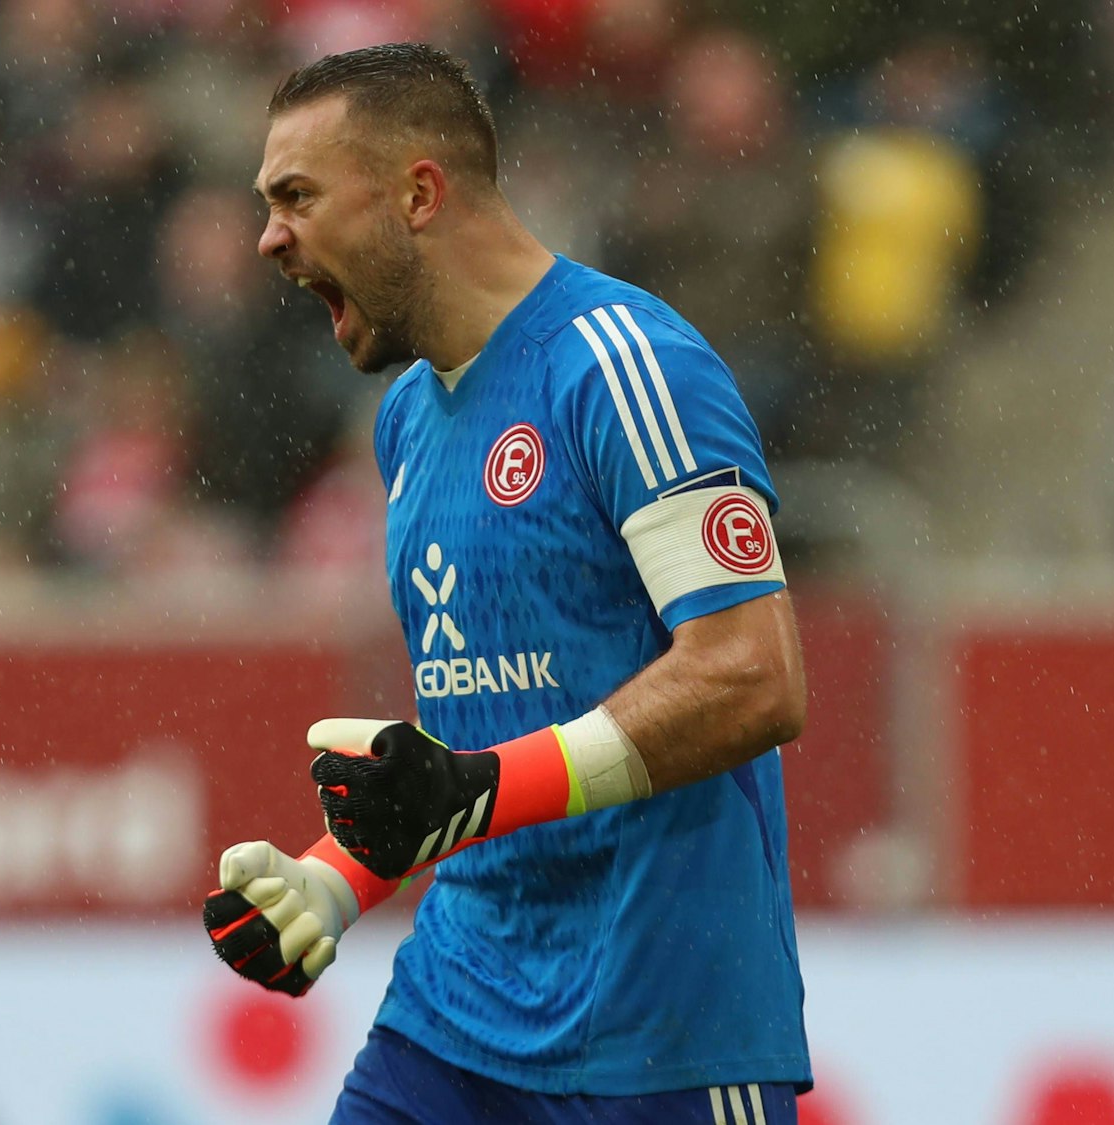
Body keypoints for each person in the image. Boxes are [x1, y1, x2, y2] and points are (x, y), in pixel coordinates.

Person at [201, 43, 811, 1124]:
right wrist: (337, 881)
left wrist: (479, 786)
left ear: (417, 193)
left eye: (295, 196)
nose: (268, 238)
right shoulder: (405, 423)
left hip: (656, 1042)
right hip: (452, 1024)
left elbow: (750, 681)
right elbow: (482, 748)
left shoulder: (626, 369)